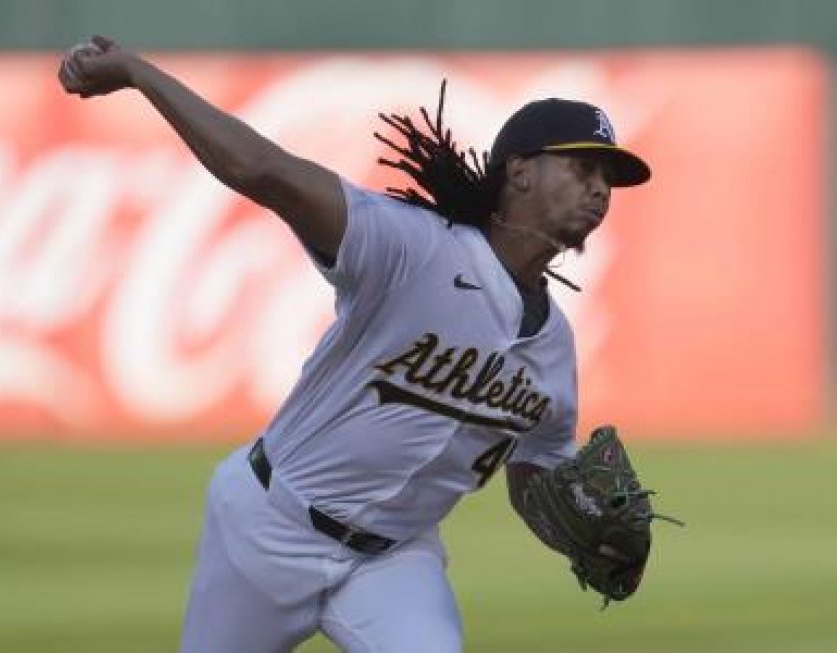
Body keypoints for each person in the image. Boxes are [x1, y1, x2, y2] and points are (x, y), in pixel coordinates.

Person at [59, 35, 651, 653]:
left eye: (608, 177)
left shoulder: (554, 348)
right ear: (520, 170)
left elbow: (539, 467)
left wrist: (587, 530)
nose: (600, 189)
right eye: (583, 168)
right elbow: (266, 172)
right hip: (268, 529)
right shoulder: (412, 247)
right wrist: (138, 73)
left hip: (393, 564)